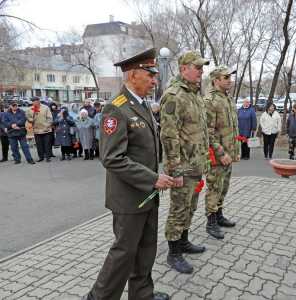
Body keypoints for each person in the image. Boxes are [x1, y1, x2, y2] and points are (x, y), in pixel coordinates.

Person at [83, 48, 173, 300]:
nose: (155, 80)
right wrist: (152, 178)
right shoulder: (117, 108)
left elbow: (145, 150)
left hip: (147, 193)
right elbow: (112, 158)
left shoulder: (141, 105)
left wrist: (159, 175)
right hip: (129, 198)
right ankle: (99, 298)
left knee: (146, 249)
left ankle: (142, 294)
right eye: (151, 75)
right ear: (134, 75)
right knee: (124, 252)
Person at [160, 51, 209, 274]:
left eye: (201, 68)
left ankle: (184, 242)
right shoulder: (174, 95)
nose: (201, 71)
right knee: (179, 209)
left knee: (191, 206)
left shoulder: (195, 94)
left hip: (196, 164)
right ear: (183, 69)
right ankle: (174, 253)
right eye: (197, 67)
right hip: (182, 167)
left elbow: (201, 132)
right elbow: (169, 137)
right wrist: (176, 170)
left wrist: (205, 161)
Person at [204, 65, 240, 240]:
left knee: (223, 187)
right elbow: (208, 132)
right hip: (217, 156)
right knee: (214, 188)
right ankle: (211, 222)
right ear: (216, 80)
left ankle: (219, 215)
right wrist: (221, 153)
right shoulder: (210, 101)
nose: (229, 80)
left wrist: (234, 152)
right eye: (226, 77)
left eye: (230, 77)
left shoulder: (227, 98)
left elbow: (232, 128)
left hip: (228, 154)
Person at [26, 96, 53, 162]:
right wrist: (31, 119)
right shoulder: (30, 109)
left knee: (47, 144)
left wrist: (47, 126)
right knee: (39, 144)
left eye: (34, 101)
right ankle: (41, 157)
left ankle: (48, 157)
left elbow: (50, 118)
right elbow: (28, 118)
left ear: (38, 101)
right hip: (36, 130)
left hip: (46, 130)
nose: (33, 102)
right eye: (32, 101)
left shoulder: (45, 108)